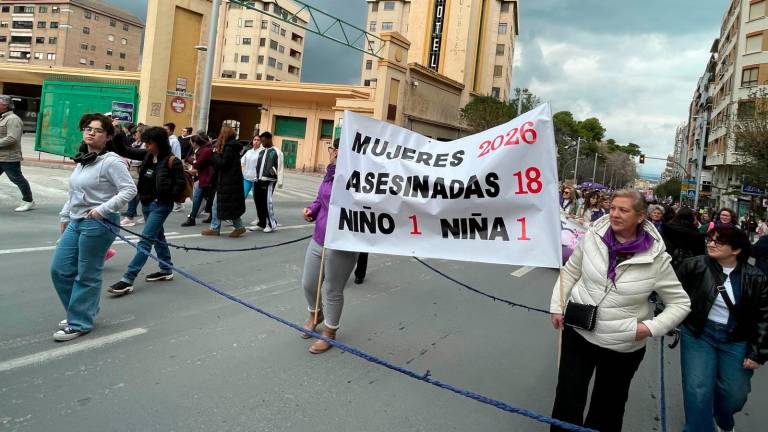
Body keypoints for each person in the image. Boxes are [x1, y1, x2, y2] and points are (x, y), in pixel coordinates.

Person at [549, 189, 691, 432]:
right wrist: (557, 306)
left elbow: (680, 303)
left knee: (608, 407)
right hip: (578, 331)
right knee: (567, 398)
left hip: (622, 344)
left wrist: (648, 328)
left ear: (640, 216)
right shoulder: (593, 236)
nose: (615, 214)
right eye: (613, 208)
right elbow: (570, 271)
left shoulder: (656, 258)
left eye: (623, 210)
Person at [50, 113, 136, 341]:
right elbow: (75, 193)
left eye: (97, 130)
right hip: (76, 221)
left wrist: (103, 209)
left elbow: (129, 190)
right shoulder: (84, 159)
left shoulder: (111, 161)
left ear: (108, 136)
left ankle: (79, 321)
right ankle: (82, 310)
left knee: (87, 273)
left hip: (99, 223)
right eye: (88, 128)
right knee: (60, 269)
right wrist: (64, 217)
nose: (91, 132)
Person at [675, 226, 768, 432]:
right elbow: (671, 294)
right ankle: (699, 427)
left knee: (734, 394)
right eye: (710, 239)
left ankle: (722, 420)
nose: (711, 243)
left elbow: (765, 317)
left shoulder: (756, 277)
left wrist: (758, 353)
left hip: (737, 339)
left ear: (736, 250)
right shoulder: (694, 265)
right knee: (698, 388)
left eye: (719, 241)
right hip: (699, 334)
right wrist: (668, 321)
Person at [107, 126, 187, 296]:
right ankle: (166, 269)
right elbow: (122, 149)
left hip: (160, 206)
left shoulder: (173, 161)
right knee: (159, 237)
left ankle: (128, 279)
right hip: (146, 204)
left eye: (149, 143)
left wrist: (164, 198)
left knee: (145, 240)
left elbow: (180, 184)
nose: (145, 146)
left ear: (158, 143)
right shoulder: (147, 155)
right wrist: (117, 132)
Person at [300, 138, 360, 354]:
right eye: (332, 149)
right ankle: (315, 314)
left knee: (333, 290)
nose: (331, 153)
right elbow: (321, 199)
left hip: (342, 242)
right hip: (319, 238)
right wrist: (312, 210)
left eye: (335, 150)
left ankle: (329, 332)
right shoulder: (330, 173)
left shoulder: (358, 176)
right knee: (309, 283)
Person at [201, 126, 246, 237]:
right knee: (228, 205)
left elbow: (224, 164)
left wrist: (214, 155)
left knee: (219, 204)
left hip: (228, 182)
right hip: (230, 181)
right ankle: (238, 227)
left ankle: (215, 228)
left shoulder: (229, 148)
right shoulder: (231, 147)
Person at [0, 95, 35, 212]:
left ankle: (29, 201)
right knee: (17, 179)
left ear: (5, 106)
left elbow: (12, 138)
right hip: (1, 156)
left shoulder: (13, 119)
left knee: (17, 179)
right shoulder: (2, 118)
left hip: (9, 157)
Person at [246, 131, 283, 233]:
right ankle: (261, 223)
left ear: (269, 139)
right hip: (258, 179)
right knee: (258, 202)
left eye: (263, 140)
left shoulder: (276, 152)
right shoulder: (261, 151)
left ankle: (271, 224)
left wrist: (280, 181)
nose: (261, 143)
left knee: (267, 203)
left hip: (269, 180)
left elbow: (280, 167)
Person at [181, 133, 214, 227]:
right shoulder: (201, 150)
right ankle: (204, 217)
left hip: (205, 177)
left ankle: (192, 218)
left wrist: (191, 160)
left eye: (191, 142)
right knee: (203, 198)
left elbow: (197, 164)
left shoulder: (205, 151)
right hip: (202, 177)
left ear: (195, 142)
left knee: (198, 198)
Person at [120, 125, 146, 227]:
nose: (135, 134)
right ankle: (133, 213)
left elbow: (139, 158)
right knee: (137, 193)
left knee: (132, 192)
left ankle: (130, 216)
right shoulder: (136, 143)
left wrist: (129, 158)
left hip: (137, 170)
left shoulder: (144, 145)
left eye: (138, 132)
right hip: (132, 170)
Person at [164, 122, 184, 212]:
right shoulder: (166, 139)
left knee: (173, 183)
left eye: (166, 129)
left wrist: (176, 165)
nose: (165, 131)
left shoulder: (174, 141)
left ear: (171, 130)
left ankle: (178, 204)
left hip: (172, 164)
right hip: (166, 164)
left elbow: (177, 155)